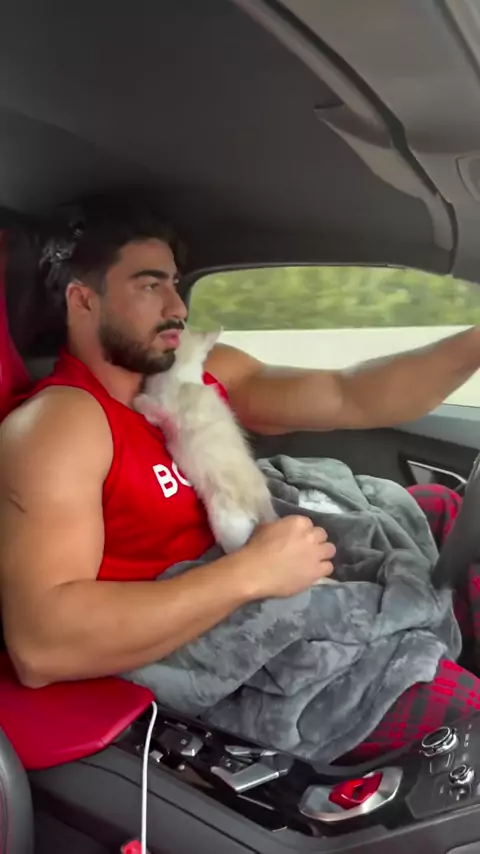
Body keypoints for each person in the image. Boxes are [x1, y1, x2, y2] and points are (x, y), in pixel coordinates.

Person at [1, 192, 480, 760]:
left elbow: (350, 394)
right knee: (465, 715)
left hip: (263, 560)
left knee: (446, 513)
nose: (178, 307)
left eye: (175, 284)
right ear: (83, 299)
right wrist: (251, 573)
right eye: (150, 286)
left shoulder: (194, 375)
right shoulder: (61, 424)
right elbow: (42, 646)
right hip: (206, 634)